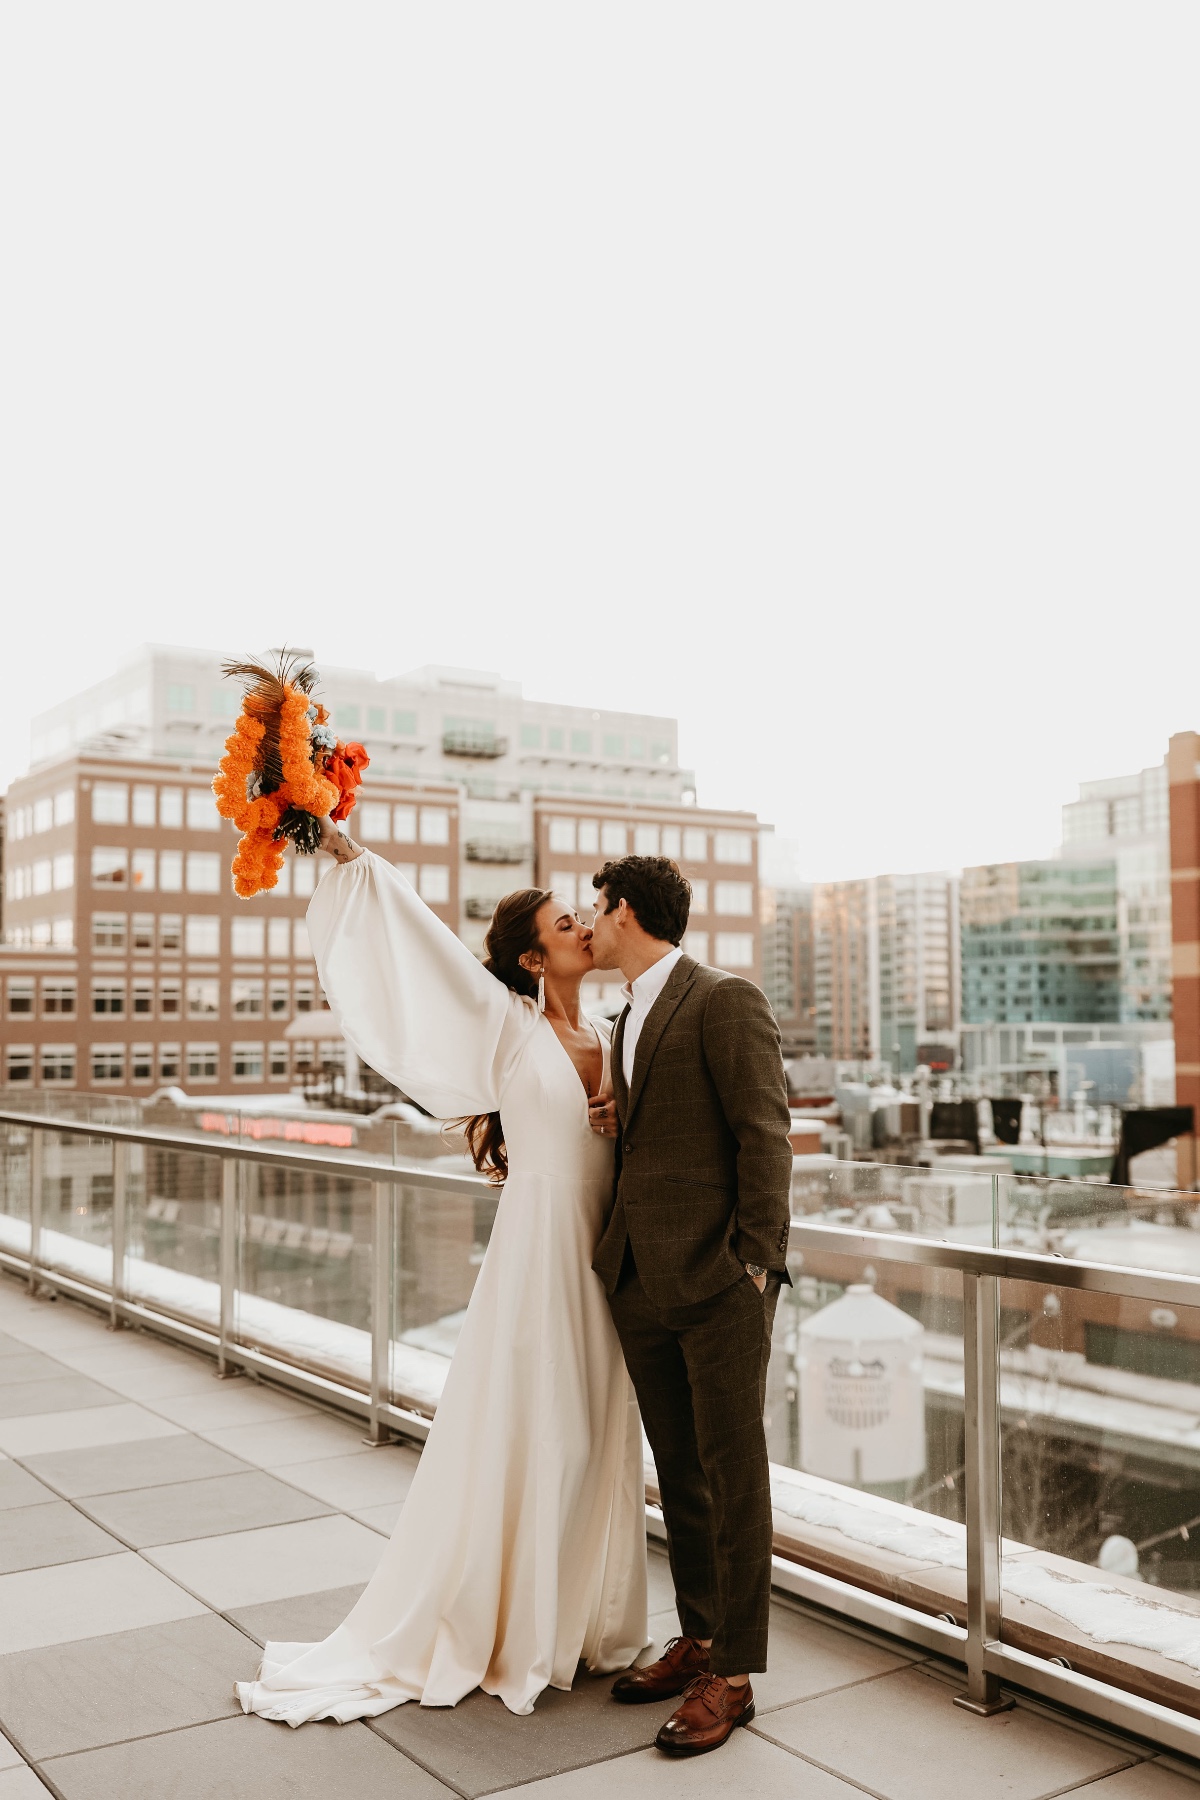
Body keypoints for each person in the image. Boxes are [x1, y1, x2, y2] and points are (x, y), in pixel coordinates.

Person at [236, 816, 647, 1724]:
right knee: (537, 1430)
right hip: (538, 1257)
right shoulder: (505, 1024)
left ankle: (576, 1617)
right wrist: (349, 854)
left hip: (605, 1259)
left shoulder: (621, 1033)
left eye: (583, 918)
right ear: (534, 961)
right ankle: (510, 1626)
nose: (583, 925)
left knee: (592, 1436)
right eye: (565, 926)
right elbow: (421, 949)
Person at [585, 855, 793, 1758]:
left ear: (625, 911)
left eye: (596, 908)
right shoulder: (627, 1012)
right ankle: (700, 1637)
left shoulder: (723, 997)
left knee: (734, 1476)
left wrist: (755, 1266)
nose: (589, 924)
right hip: (638, 1277)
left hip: (718, 1285)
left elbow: (766, 1135)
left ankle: (734, 1676)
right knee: (682, 1474)